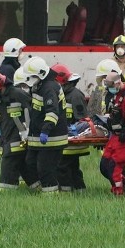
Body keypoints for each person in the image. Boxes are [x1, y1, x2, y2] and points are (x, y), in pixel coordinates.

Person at [22, 56, 68, 194]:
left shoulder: (49, 88)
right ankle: (38, 191)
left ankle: (51, 196)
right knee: (29, 164)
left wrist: (45, 131)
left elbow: (52, 112)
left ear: (41, 74)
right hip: (37, 137)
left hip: (52, 138)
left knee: (45, 169)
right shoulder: (39, 85)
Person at [99, 71, 125, 196]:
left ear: (118, 83)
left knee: (114, 168)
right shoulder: (117, 95)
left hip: (124, 138)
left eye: (111, 86)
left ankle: (119, 194)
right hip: (114, 137)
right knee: (104, 166)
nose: (110, 89)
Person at [53, 64, 89, 193]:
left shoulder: (75, 95)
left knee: (62, 166)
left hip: (72, 139)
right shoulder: (62, 94)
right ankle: (80, 190)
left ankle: (65, 192)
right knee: (73, 167)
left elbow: (82, 120)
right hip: (67, 138)